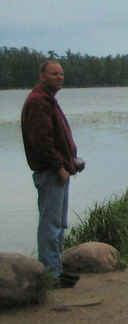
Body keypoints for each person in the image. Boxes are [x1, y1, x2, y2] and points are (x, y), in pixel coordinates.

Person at [20, 60, 82, 286]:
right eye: (54, 74)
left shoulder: (47, 100)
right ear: (42, 76)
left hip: (58, 170)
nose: (59, 77)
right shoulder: (39, 102)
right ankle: (50, 274)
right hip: (51, 172)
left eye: (62, 74)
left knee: (58, 223)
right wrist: (59, 167)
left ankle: (55, 269)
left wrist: (71, 161)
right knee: (51, 224)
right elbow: (41, 141)